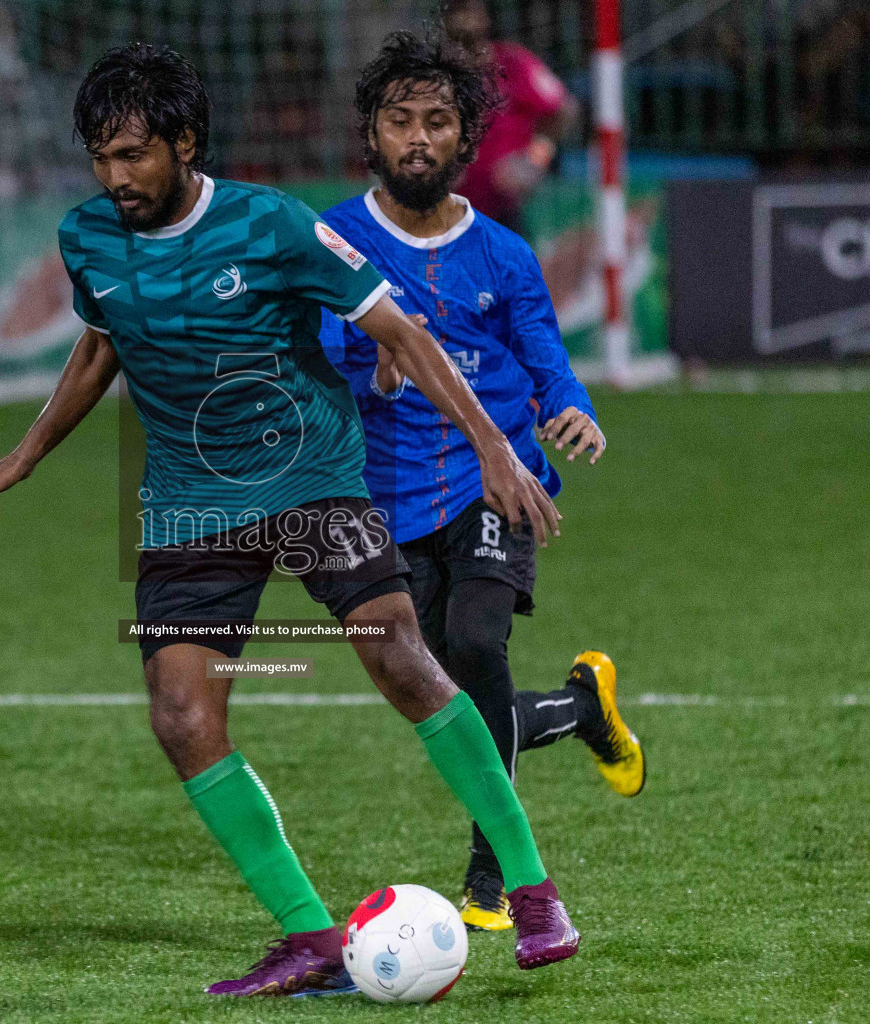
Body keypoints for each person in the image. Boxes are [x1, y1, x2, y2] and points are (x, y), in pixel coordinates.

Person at [0, 43, 580, 996]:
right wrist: (23, 456)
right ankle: (312, 940)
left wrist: (493, 445)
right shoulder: (89, 238)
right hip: (189, 503)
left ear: (185, 144)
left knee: (403, 659)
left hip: (311, 475)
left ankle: (531, 889)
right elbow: (100, 344)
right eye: (101, 158)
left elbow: (399, 330)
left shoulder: (273, 225)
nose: (115, 177)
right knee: (181, 714)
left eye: (133, 156)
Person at [318, 31, 646, 932]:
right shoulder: (337, 240)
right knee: (445, 693)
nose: (417, 139)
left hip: (495, 478)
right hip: (387, 491)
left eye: (437, 122)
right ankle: (580, 708)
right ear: (372, 134)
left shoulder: (503, 254)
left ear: (467, 142)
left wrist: (573, 407)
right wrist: (369, 375)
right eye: (398, 121)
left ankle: (490, 876)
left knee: (476, 644)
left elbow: (546, 359)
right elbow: (324, 358)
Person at [444, 0, 578, 232]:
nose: (463, 20)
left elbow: (564, 110)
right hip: (446, 210)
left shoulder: (512, 62)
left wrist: (535, 158)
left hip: (505, 208)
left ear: (484, 17)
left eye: (468, 11)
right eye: (456, 12)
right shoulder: (434, 73)